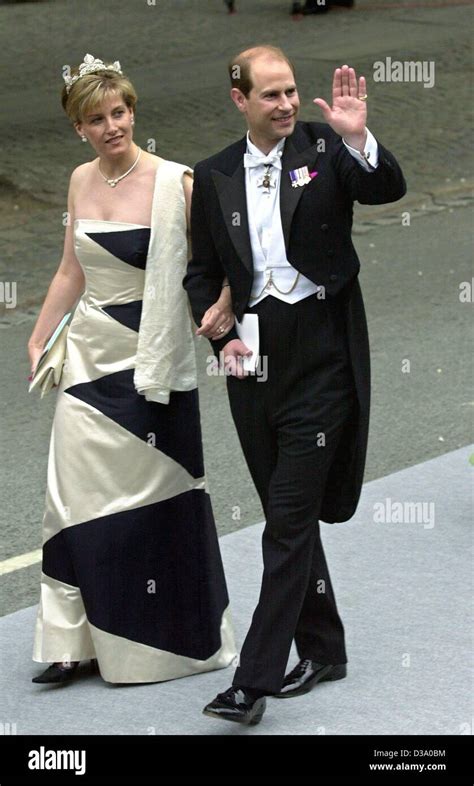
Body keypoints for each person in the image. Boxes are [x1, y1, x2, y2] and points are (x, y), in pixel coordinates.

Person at [183, 45, 406, 724]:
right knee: (289, 513)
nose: (285, 105)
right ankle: (325, 645)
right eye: (270, 95)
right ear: (239, 99)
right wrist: (219, 330)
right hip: (251, 360)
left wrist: (357, 136)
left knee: (283, 521)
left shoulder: (324, 145)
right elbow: (199, 272)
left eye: (290, 92)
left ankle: (253, 682)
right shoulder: (215, 173)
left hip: (323, 357)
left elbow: (385, 187)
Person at [28, 54, 236, 685]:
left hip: (155, 357)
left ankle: (165, 640)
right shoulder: (78, 180)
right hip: (88, 357)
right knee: (69, 496)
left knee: (156, 499)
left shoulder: (179, 183)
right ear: (80, 128)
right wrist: (40, 335)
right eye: (98, 118)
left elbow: (218, 265)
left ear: (132, 112)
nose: (112, 126)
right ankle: (69, 643)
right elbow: (72, 267)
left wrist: (223, 309)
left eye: (119, 112)